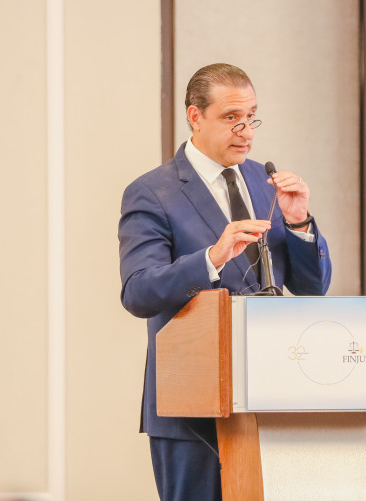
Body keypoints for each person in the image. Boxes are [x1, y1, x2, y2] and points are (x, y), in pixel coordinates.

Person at [118, 63, 332, 501]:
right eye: (231, 117)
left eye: (251, 117)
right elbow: (138, 291)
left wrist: (299, 223)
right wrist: (212, 258)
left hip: (273, 392)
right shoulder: (152, 192)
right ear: (195, 116)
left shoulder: (264, 182)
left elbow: (312, 288)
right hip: (191, 407)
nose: (245, 131)